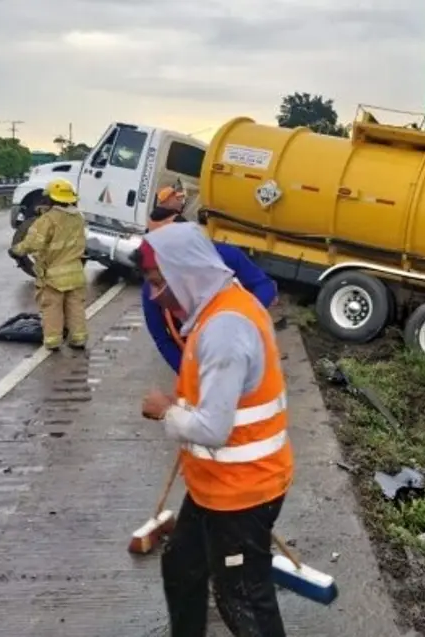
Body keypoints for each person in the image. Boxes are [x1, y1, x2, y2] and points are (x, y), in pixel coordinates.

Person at [139, 222, 292, 636]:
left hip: (242, 493)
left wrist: (166, 412)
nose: (155, 296)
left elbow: (213, 428)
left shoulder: (225, 328)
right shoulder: (218, 309)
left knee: (242, 596)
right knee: (182, 566)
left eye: (158, 282)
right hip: (216, 487)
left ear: (184, 271)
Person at [140, 185, 277, 372]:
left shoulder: (224, 256)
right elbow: (162, 339)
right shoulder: (154, 286)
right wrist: (188, 374)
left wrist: (243, 315)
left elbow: (264, 285)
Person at [8, 178, 88, 350]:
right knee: (75, 307)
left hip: (54, 276)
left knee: (52, 308)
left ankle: (53, 341)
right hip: (75, 272)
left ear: (50, 199)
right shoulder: (78, 218)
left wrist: (16, 250)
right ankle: (78, 339)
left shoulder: (47, 220)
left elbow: (32, 244)